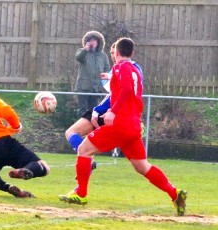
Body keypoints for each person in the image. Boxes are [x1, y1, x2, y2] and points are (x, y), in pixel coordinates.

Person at [59, 38, 187, 216]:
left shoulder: (121, 67)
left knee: (84, 149)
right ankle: (174, 193)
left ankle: (81, 193)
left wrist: (113, 112)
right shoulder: (134, 69)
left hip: (120, 123)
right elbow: (127, 87)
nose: (112, 56)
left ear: (117, 53)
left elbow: (126, 89)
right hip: (133, 125)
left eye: (113, 53)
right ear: (132, 53)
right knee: (142, 166)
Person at [74, 30, 110, 116]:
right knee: (82, 112)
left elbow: (107, 69)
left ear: (98, 42)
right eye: (90, 40)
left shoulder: (103, 55)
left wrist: (102, 83)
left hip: (96, 89)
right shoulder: (82, 51)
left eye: (94, 40)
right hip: (83, 87)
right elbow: (79, 58)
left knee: (94, 112)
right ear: (87, 42)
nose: (92, 42)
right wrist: (85, 50)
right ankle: (81, 129)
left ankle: (91, 129)